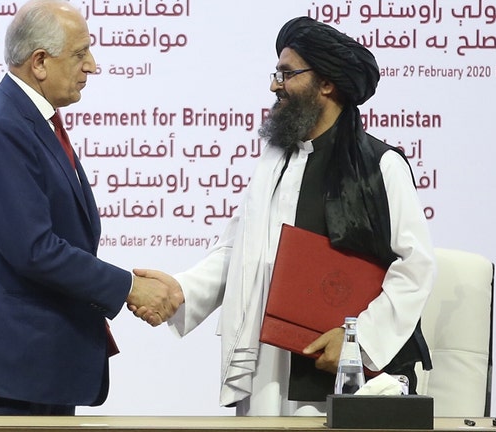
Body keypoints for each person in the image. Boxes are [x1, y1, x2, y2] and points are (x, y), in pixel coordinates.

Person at [133, 16, 436, 416]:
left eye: (287, 73)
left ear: (326, 83)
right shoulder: (274, 162)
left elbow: (415, 266)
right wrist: (182, 290)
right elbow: (239, 250)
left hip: (342, 371)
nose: (275, 85)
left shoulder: (381, 165)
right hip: (268, 362)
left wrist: (356, 339)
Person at [0, 0, 181, 415]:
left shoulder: (30, 122)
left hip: (36, 369)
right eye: (80, 53)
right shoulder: (1, 127)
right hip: (5, 376)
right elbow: (34, 250)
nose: (93, 66)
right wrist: (128, 287)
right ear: (40, 62)